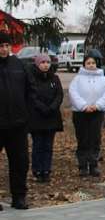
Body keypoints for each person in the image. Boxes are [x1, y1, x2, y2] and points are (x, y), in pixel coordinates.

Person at [0, 32, 33, 210]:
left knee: (20, 162)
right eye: (1, 46)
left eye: (6, 45)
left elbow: (29, 91)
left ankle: (19, 197)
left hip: (18, 124)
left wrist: (26, 115)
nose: (4, 49)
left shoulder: (18, 65)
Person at [69, 53, 105, 177]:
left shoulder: (103, 79)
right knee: (82, 139)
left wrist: (97, 105)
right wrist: (83, 106)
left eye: (93, 63)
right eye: (88, 63)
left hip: (97, 113)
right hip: (80, 113)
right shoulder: (77, 79)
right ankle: (83, 165)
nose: (91, 65)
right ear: (84, 64)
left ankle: (93, 165)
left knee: (95, 139)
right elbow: (73, 93)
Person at [27, 54, 63, 183]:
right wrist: (42, 108)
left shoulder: (55, 78)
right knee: (38, 145)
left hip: (51, 117)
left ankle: (46, 170)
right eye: (42, 62)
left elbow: (59, 95)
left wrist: (52, 107)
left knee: (48, 145)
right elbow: (32, 96)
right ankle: (37, 170)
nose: (45, 65)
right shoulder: (31, 78)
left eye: (47, 62)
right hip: (37, 117)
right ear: (37, 64)